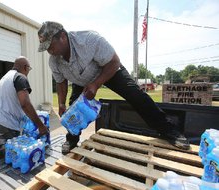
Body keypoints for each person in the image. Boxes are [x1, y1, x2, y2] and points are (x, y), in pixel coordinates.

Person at [37, 21, 190, 155]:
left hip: (108, 69)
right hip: (81, 79)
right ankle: (71, 140)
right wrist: (62, 103)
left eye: (50, 45)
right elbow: (61, 82)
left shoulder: (89, 40)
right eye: (46, 48)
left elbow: (114, 62)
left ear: (62, 36)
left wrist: (96, 84)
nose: (49, 51)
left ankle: (170, 131)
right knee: (73, 112)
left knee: (136, 95)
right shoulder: (54, 61)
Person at [0, 56, 49, 160]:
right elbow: (25, 104)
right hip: (3, 125)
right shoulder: (20, 77)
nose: (28, 72)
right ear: (25, 67)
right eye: (29, 69)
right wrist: (40, 126)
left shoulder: (6, 77)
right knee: (9, 161)